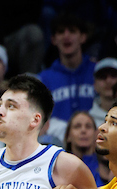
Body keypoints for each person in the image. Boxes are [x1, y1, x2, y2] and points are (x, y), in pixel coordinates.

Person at [41, 15, 97, 144]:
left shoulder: (99, 72)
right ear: (53, 39)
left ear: (83, 37)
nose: (66, 36)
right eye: (61, 32)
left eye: (72, 31)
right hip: (58, 143)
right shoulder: (44, 79)